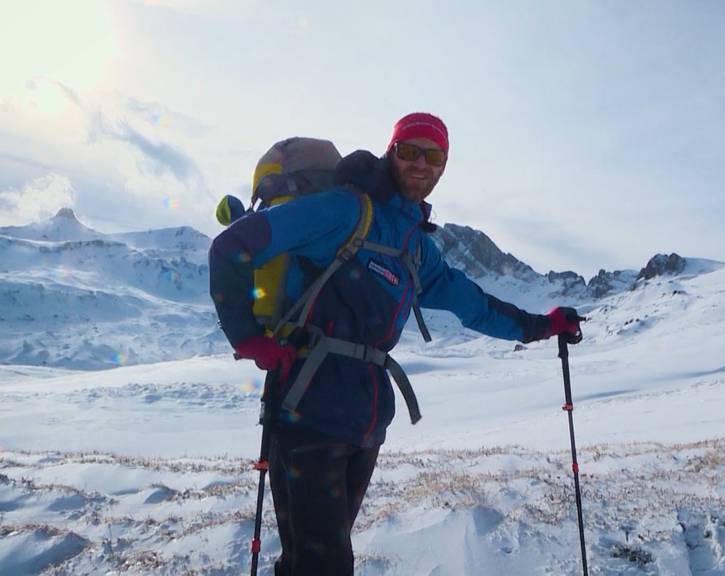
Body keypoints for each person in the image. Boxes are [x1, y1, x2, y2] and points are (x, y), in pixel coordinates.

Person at [209, 112, 582, 575]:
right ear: (392, 151)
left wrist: (541, 326)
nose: (421, 164)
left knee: (313, 560)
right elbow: (230, 248)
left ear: (444, 166)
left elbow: (477, 307)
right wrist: (248, 339)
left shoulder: (416, 248)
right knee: (323, 567)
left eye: (434, 156)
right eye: (410, 151)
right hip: (307, 412)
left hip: (365, 422)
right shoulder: (343, 211)